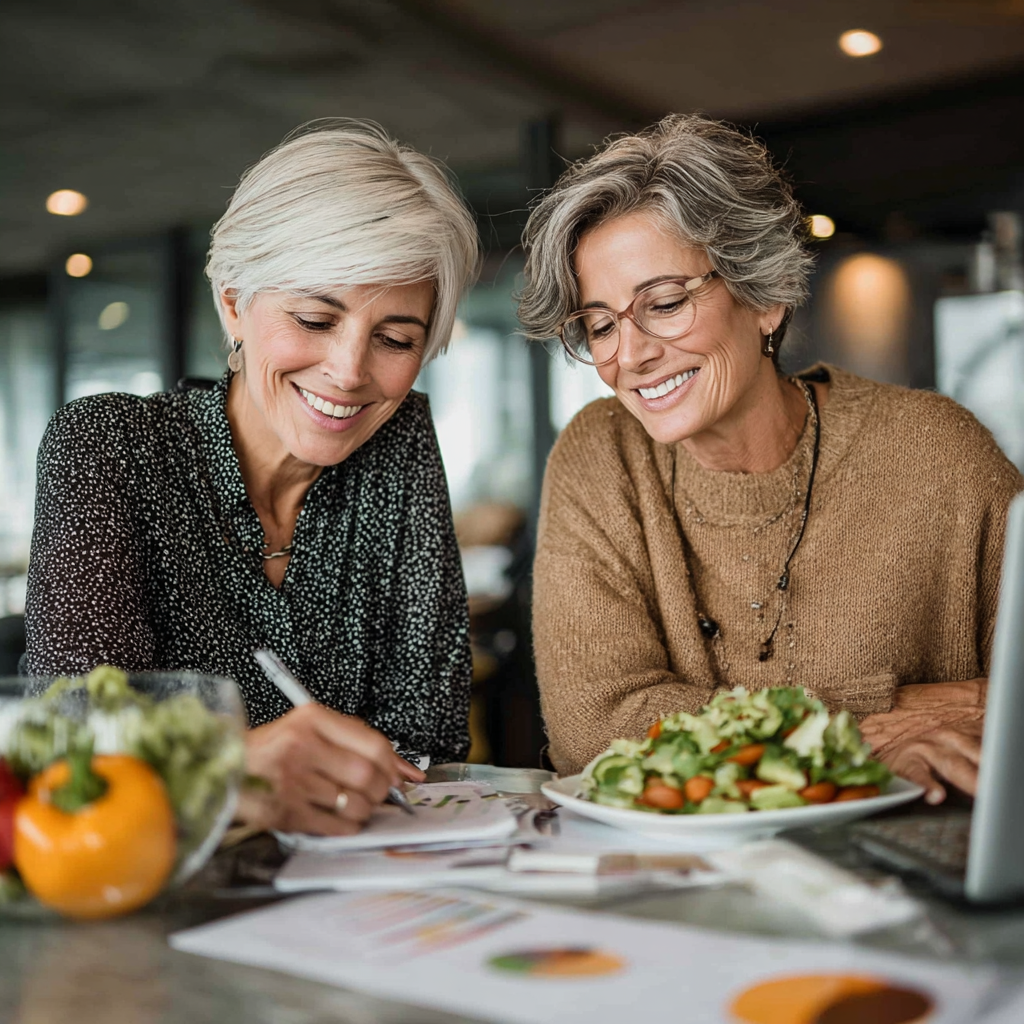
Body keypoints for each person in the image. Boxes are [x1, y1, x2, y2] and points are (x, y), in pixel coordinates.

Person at [518, 114, 1023, 802]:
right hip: (684, 877)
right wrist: (886, 716)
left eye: (663, 304)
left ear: (767, 297)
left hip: (912, 856)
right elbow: (596, 729)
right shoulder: (600, 456)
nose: (628, 356)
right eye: (600, 325)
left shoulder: (938, 452)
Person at [25, 120, 480, 834]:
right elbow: (74, 736)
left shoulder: (401, 439)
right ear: (234, 302)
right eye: (313, 317)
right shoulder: (108, 444)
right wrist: (231, 770)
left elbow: (427, 732)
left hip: (360, 882)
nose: (351, 371)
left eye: (395, 339)